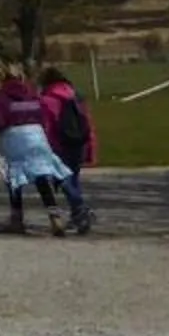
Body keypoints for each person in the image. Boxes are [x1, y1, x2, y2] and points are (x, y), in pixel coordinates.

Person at [0, 69, 73, 234]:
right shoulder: (31, 92)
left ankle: (17, 219)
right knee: (41, 175)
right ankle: (54, 217)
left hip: (14, 135)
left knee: (14, 177)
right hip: (36, 134)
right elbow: (41, 114)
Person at [41, 71, 97, 234]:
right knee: (73, 179)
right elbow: (87, 120)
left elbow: (47, 127)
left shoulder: (46, 100)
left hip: (60, 145)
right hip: (79, 142)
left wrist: (47, 147)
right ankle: (78, 216)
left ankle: (81, 209)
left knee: (61, 179)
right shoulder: (77, 96)